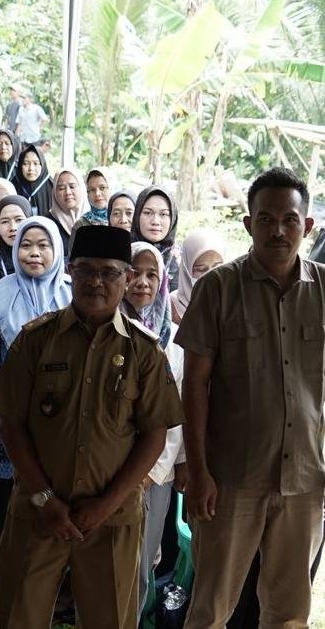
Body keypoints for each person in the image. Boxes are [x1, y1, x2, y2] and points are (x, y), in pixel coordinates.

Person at [0, 224, 183, 629]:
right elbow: (11, 424)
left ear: (127, 278)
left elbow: (153, 436)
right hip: (39, 511)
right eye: (86, 270)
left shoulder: (144, 352)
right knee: (16, 617)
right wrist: (44, 497)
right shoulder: (35, 342)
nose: (97, 281)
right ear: (70, 273)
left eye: (110, 272)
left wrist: (106, 504)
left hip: (111, 518)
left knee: (109, 619)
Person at [179, 168, 325, 629]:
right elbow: (195, 387)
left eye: (289, 219)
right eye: (265, 219)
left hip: (304, 478)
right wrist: (199, 472)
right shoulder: (217, 289)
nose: (278, 230)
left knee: (288, 613)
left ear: (309, 225)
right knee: (210, 609)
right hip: (231, 480)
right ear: (248, 224)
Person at [0, 216, 72, 585]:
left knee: (51, 485)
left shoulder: (70, 295)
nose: (34, 253)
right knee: (6, 488)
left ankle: (51, 575)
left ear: (56, 251)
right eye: (27, 245)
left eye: (43, 245)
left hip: (58, 416)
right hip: (7, 414)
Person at [122, 241, 184, 618]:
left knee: (142, 558)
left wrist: (150, 472)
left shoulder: (175, 340)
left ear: (163, 281)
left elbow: (176, 418)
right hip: (107, 466)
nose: (142, 282)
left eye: (152, 275)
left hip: (154, 475)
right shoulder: (104, 327)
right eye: (134, 272)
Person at [169, 228, 225, 324]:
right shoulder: (171, 306)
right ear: (186, 271)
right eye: (201, 269)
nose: (211, 274)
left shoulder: (233, 303)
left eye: (217, 267)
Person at [131, 186, 180, 289]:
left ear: (173, 218)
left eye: (163, 214)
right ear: (137, 215)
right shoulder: (123, 253)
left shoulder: (182, 260)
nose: (155, 221)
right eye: (148, 213)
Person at [49, 167, 89, 257]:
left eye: (72, 186)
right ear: (54, 192)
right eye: (61, 188)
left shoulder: (94, 221)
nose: (68, 192)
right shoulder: (47, 223)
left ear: (82, 188)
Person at [9, 142, 53, 216]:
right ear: (20, 165)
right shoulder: (13, 186)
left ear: (42, 164)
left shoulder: (52, 187)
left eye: (35, 163)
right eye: (26, 163)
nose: (31, 168)